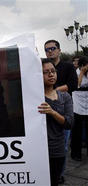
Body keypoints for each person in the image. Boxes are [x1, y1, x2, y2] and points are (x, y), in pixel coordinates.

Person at [44, 40, 78, 184]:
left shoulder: (68, 66)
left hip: (61, 108)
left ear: (59, 50)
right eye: (47, 49)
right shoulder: (41, 65)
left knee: (62, 146)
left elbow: (73, 85)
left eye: (53, 48)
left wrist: (54, 91)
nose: (50, 51)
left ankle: (60, 174)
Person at [38, 58, 73, 186]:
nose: (51, 74)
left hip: (56, 150)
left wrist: (52, 112)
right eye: (45, 72)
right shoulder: (33, 97)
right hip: (37, 151)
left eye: (53, 71)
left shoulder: (65, 96)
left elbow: (69, 123)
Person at [71, 56, 88, 161]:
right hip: (77, 102)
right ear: (82, 65)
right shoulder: (76, 73)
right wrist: (81, 72)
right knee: (77, 130)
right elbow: (76, 85)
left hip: (87, 100)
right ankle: (76, 153)